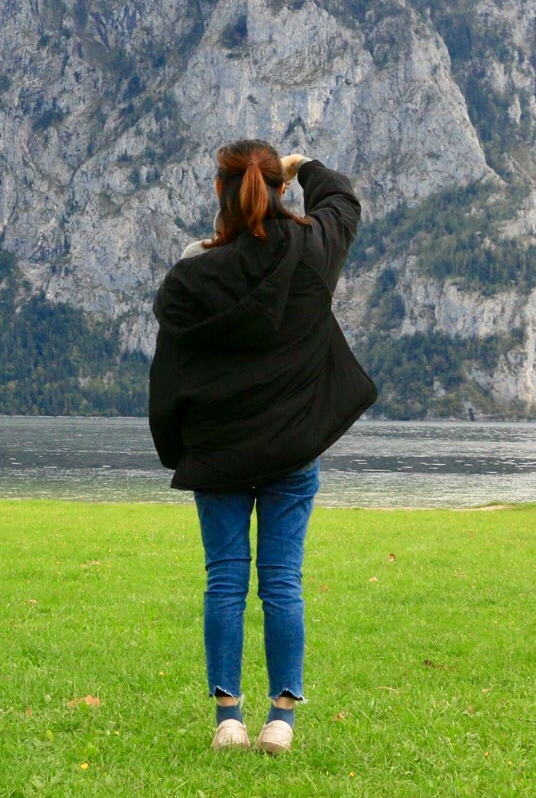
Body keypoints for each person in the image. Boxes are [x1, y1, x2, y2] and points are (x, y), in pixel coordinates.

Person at [148, 140, 376, 754]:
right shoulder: (310, 251)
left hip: (218, 453)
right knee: (282, 583)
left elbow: (168, 373)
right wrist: (305, 171)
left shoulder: (194, 270)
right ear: (277, 188)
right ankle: (281, 720)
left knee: (224, 580)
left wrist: (178, 451)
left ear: (220, 194)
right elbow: (343, 201)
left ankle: (228, 720)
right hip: (292, 452)